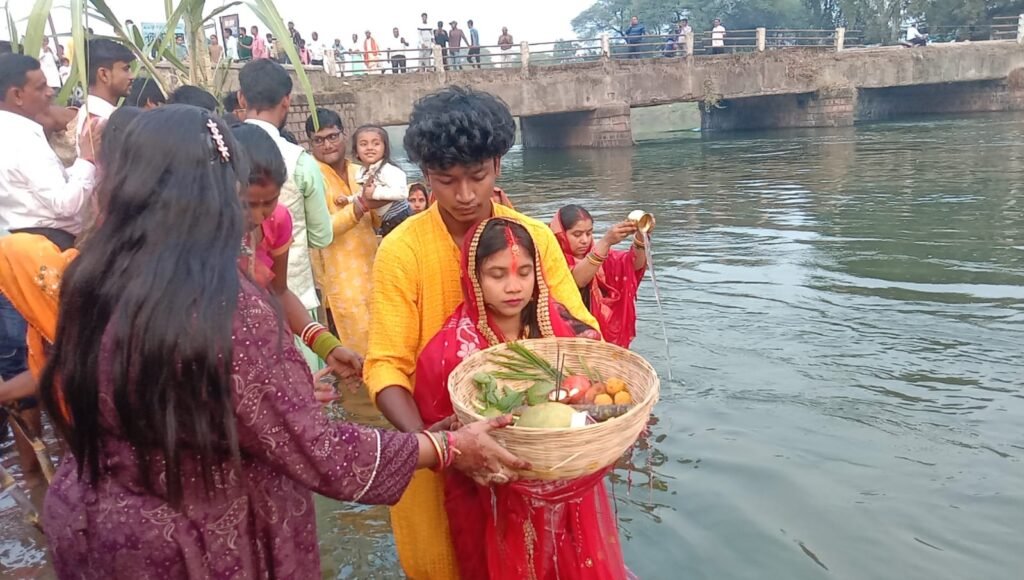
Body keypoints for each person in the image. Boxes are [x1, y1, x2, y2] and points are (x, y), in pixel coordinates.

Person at [35, 104, 528, 578]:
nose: (250, 213)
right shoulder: (221, 301)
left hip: (96, 521)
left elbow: (156, 395)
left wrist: (282, 389)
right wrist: (443, 447)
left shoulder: (95, 275)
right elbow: (321, 450)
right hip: (195, 541)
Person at [365, 86, 598, 579]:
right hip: (437, 444)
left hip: (530, 447)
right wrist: (436, 446)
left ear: (498, 164)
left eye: (478, 176)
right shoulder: (402, 250)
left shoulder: (532, 237)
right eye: (447, 181)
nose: (466, 195)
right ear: (425, 175)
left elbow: (578, 329)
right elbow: (386, 364)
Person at [412, 217, 625, 580]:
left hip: (565, 490)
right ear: (473, 277)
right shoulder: (448, 352)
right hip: (490, 501)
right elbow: (436, 435)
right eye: (497, 275)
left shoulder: (559, 330)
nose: (514, 287)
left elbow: (594, 392)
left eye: (524, 272)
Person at [238, 59, 333, 368]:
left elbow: (278, 289)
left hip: (284, 327)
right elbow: (321, 235)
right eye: (248, 204)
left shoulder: (277, 220)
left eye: (270, 202)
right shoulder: (301, 161)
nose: (259, 215)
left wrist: (328, 346)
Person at [305, 109, 383, 359]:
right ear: (310, 144)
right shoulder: (312, 178)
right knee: (354, 365)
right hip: (339, 287)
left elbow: (377, 221)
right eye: (319, 140)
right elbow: (321, 232)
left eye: (332, 136)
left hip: (375, 273)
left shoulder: (361, 171)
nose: (327, 145)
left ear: (343, 135)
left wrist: (383, 203)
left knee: (385, 353)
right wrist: (358, 208)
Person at [0, 54, 98, 245]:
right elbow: (65, 203)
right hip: (47, 242)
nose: (50, 92)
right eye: (40, 87)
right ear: (17, 95)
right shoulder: (23, 140)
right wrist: (87, 159)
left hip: (19, 240)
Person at [550, 204, 647, 349]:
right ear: (561, 235)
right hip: (566, 337)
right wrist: (606, 241)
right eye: (577, 234)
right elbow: (575, 281)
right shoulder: (551, 260)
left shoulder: (603, 257)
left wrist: (641, 236)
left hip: (599, 337)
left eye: (589, 233)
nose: (585, 240)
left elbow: (634, 265)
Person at [350, 125, 411, 237]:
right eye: (363, 144)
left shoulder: (389, 170)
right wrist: (349, 199)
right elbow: (363, 194)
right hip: (386, 221)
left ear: (385, 149)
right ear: (356, 151)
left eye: (376, 144)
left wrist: (375, 193)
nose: (370, 148)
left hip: (400, 217)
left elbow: (403, 193)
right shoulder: (363, 172)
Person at [78, 39, 134, 153]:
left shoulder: (98, 115)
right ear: (104, 74)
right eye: (125, 69)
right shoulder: (98, 123)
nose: (131, 76)